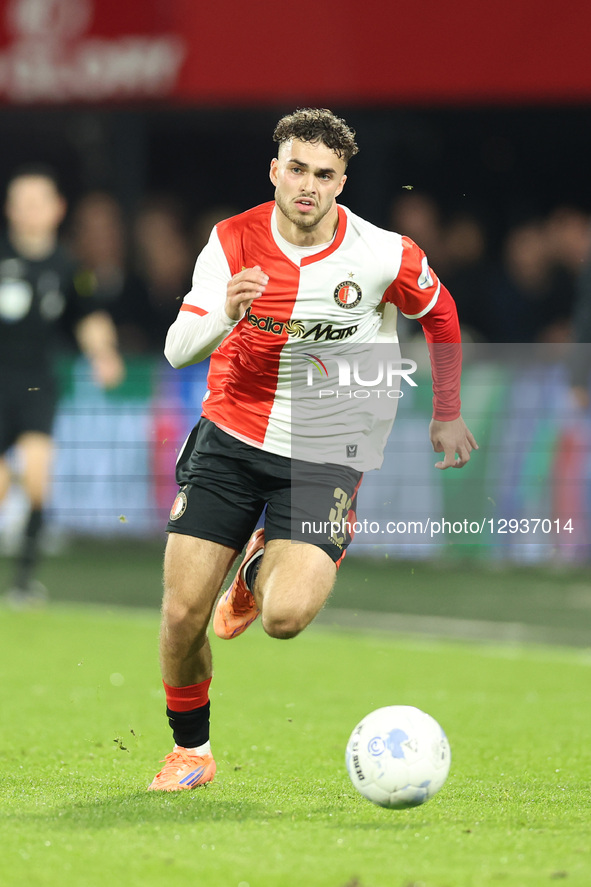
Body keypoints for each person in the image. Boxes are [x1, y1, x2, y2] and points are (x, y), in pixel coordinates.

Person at [148, 109, 477, 792]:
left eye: (323, 175)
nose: (307, 186)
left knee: (285, 618)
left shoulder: (381, 252)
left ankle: (256, 567)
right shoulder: (231, 241)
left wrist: (446, 411)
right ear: (275, 170)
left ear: (341, 181)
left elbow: (439, 314)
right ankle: (192, 751)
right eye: (295, 169)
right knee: (181, 615)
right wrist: (223, 313)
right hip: (233, 437)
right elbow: (177, 348)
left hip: (328, 448)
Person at [0, 165, 124, 607]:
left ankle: (23, 583)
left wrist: (104, 354)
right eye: (23, 202)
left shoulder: (68, 267)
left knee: (37, 480)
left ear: (57, 209)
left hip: (36, 385)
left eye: (40, 202)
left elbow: (88, 316)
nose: (31, 211)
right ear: (10, 209)